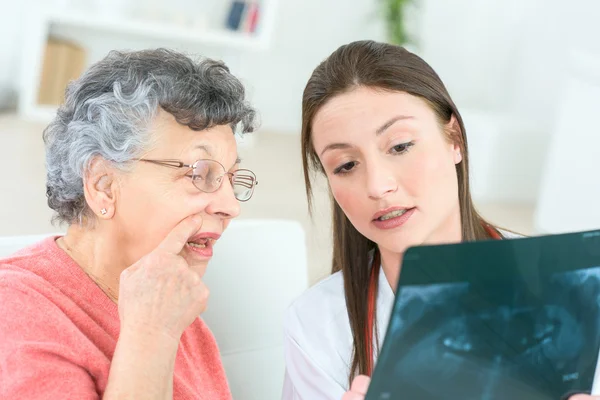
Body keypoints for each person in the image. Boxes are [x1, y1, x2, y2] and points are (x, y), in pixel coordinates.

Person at [282, 40, 597, 400]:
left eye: (400, 146)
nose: (378, 186)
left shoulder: (569, 291)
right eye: (346, 165)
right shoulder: (317, 326)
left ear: (455, 139)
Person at [0, 48, 259, 399]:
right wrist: (152, 335)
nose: (231, 206)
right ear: (103, 186)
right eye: (200, 173)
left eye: (231, 178)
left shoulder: (178, 307)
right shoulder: (16, 309)